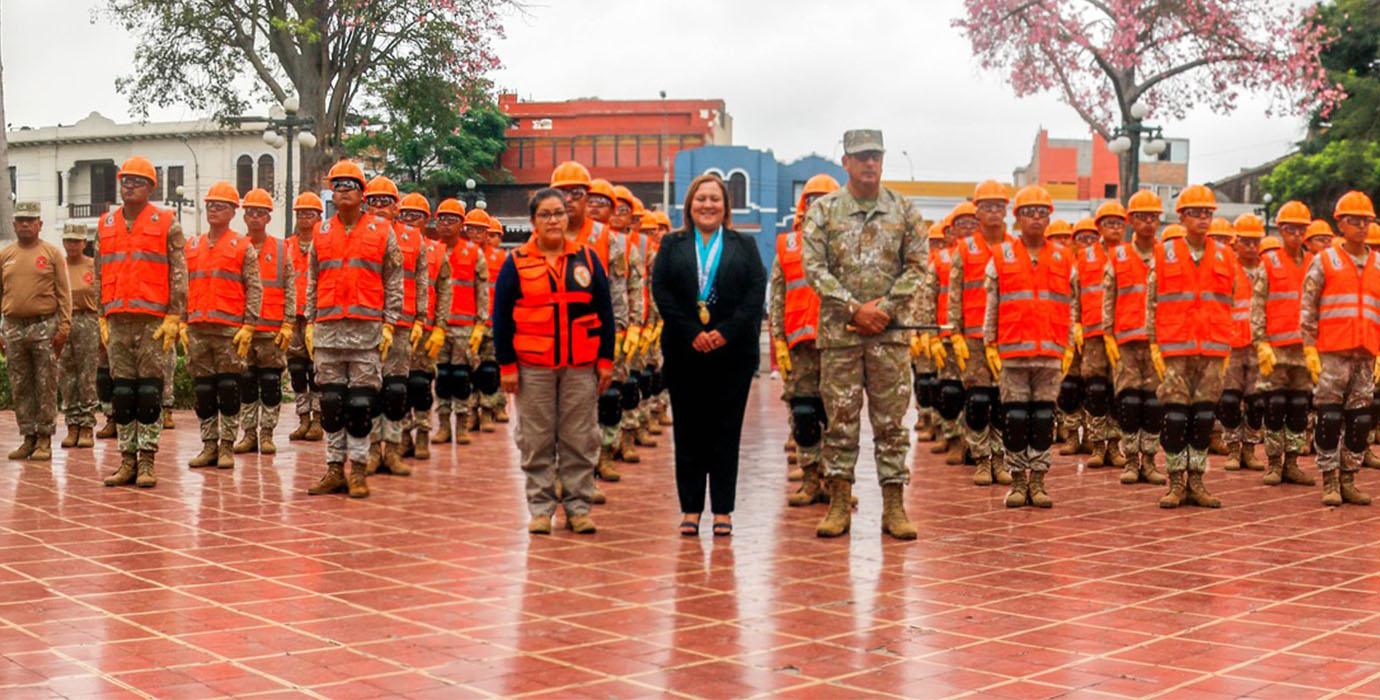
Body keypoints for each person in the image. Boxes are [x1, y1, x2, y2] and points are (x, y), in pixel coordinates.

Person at [803, 129, 926, 539]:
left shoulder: (904, 210)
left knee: (892, 423)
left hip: (889, 337)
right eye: (861, 157)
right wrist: (856, 309)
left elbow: (916, 267)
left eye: (875, 155)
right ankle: (839, 504)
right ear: (846, 162)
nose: (869, 163)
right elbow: (814, 269)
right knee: (840, 422)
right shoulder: (823, 212)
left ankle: (894, 506)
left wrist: (884, 309)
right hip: (841, 337)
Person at [494, 188, 615, 534]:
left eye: (559, 213)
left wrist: (605, 360)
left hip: (580, 366)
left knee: (580, 437)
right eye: (545, 214)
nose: (553, 220)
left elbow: (605, 313)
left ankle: (578, 507)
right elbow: (501, 318)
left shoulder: (588, 260)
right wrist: (506, 366)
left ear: (568, 218)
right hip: (533, 368)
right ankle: (541, 508)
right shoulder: (515, 262)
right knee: (536, 439)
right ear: (533, 221)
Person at [653, 173, 765, 537]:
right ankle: (690, 509)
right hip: (685, 351)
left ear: (725, 206)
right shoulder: (672, 244)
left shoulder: (743, 246)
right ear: (689, 206)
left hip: (732, 354)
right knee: (688, 431)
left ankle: (723, 510)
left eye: (715, 199)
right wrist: (693, 332)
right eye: (701, 198)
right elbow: (662, 292)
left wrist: (723, 333)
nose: (707, 205)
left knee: (725, 432)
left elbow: (754, 294)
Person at [303, 160, 404, 498]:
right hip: (329, 332)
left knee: (361, 404)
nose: (342, 190)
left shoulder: (381, 231)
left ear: (362, 193)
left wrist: (390, 323)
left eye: (350, 185)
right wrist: (309, 320)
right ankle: (334, 469)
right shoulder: (322, 231)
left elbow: (393, 279)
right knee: (331, 403)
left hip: (366, 333)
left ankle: (358, 471)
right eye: (337, 185)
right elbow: (313, 279)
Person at [97, 157, 187, 488]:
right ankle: (126, 460)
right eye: (125, 180)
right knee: (123, 392)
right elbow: (99, 271)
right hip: (118, 320)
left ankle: (147, 459)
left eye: (137, 181)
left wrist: (175, 315)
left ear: (151, 187)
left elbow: (178, 272)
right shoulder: (105, 223)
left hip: (153, 322)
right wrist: (101, 315)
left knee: (148, 392)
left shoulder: (167, 222)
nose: (130, 185)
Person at [1149, 185, 1237, 508]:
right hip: (1175, 349)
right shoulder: (1165, 253)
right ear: (1182, 216)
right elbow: (1152, 302)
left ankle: (1197, 481)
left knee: (1202, 418)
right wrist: (1154, 345)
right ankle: (1175, 482)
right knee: (1175, 418)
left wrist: (1228, 344)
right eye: (1196, 212)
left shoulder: (1226, 255)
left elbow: (1232, 302)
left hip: (1212, 350)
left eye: (1207, 213)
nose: (1203, 218)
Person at [986, 186, 1072, 507]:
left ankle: (1038, 481)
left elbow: (1070, 305)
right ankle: (1018, 482)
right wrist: (989, 343)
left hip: (1050, 352)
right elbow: (992, 305)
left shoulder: (1064, 257)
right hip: (1012, 352)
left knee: (1043, 418)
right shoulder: (1001, 256)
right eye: (1028, 212)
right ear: (1017, 217)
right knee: (1016, 417)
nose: (1036, 218)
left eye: (1042, 212)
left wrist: (1070, 345)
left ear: (1050, 217)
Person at [551, 162, 630, 490]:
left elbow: (617, 290)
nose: (569, 200)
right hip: (552, 338)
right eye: (561, 193)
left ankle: (591, 472)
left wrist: (620, 333)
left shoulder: (606, 239)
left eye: (577, 194)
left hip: (592, 337)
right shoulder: (541, 231)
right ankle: (557, 476)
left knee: (593, 409)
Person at [1300, 191, 1378, 506]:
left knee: (1360, 420)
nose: (1361, 226)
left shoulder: (1376, 263)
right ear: (1340, 224)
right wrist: (1308, 347)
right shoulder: (1325, 261)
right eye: (1354, 220)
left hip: (1365, 354)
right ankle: (1329, 480)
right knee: (1330, 418)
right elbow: (1308, 305)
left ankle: (1349, 478)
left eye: (1366, 220)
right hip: (1332, 352)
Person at [770, 173, 840, 506]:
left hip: (840, 345)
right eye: (814, 200)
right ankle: (811, 479)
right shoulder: (787, 245)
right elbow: (778, 296)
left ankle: (838, 485)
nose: (820, 206)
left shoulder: (850, 244)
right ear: (804, 204)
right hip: (801, 346)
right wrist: (778, 341)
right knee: (804, 413)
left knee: (840, 417)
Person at [184, 182, 262, 472]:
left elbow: (254, 288)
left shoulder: (242, 246)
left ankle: (227, 445)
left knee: (229, 388)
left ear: (232, 212)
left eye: (220, 206)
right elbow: (183, 286)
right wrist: (180, 322)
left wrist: (249, 325)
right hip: (198, 328)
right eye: (210, 205)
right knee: (203, 390)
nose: (213, 210)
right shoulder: (192, 245)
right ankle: (209, 445)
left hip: (230, 330)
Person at [363, 175, 428, 476]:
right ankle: (373, 449)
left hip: (401, 324)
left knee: (396, 389)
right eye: (372, 200)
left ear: (396, 206)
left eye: (384, 200)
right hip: (366, 323)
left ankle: (394, 448)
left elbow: (423, 281)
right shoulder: (359, 234)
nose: (378, 205)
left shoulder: (413, 238)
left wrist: (422, 319)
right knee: (370, 390)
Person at [1101, 190, 1167, 486]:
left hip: (1157, 342)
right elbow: (1108, 297)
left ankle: (1150, 460)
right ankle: (1130, 460)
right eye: (1142, 217)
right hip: (1126, 340)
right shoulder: (1117, 256)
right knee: (1128, 401)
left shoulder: (1166, 254)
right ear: (1131, 221)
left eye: (1153, 217)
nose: (1148, 223)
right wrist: (1107, 335)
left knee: (1152, 402)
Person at [949, 180, 1012, 487]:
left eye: (999, 206)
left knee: (1001, 400)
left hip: (1007, 336)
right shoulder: (965, 248)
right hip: (973, 338)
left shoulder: (1015, 247)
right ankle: (981, 458)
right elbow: (955, 293)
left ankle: (999, 459)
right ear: (977, 212)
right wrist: (955, 333)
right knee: (977, 399)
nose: (994, 212)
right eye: (987, 207)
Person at [1, 201, 71, 461]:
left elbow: (65, 294)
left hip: (44, 327)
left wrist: (64, 326)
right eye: (21, 220)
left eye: (31, 220)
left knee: (46, 384)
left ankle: (44, 438)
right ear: (14, 224)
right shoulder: (5, 255)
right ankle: (28, 437)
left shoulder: (52, 253)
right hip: (13, 328)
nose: (26, 224)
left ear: (40, 224)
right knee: (20, 385)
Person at [1254, 202, 1318, 486]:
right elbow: (1257, 305)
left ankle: (1292, 462)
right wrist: (1260, 341)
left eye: (1300, 229)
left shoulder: (1315, 263)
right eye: (1289, 229)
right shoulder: (1269, 262)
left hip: (1304, 349)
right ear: (1280, 230)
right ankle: (1274, 463)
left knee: (1298, 406)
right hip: (1276, 349)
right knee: (1275, 405)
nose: (1295, 234)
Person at [232, 188, 293, 456]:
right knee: (245, 382)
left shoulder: (281, 249)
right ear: (244, 217)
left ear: (269, 217)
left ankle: (267, 433)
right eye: (251, 213)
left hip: (272, 329)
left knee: (270, 382)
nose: (255, 218)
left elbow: (290, 287)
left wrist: (289, 322)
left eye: (261, 213)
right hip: (243, 330)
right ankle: (248, 434)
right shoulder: (237, 246)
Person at [398, 193, 447, 460]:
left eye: (414, 216)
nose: (408, 220)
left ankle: (424, 433)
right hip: (400, 325)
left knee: (421, 382)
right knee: (400, 384)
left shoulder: (437, 251)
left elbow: (444, 291)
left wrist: (439, 326)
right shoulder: (393, 245)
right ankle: (404, 435)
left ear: (426, 220)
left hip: (426, 328)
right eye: (404, 215)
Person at [1079, 202, 1125, 469]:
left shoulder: (1129, 255)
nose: (1115, 228)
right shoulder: (1085, 257)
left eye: (1119, 223)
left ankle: (1115, 445)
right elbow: (1075, 293)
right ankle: (1097, 444)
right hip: (1094, 332)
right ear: (1098, 228)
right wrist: (1076, 323)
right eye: (1109, 223)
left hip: (1122, 334)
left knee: (1118, 391)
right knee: (1095, 390)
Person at [430, 202, 480, 446]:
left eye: (452, 219)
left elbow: (482, 290)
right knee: (441, 378)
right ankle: (442, 425)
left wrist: (480, 324)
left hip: (464, 326)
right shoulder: (432, 251)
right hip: (438, 327)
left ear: (461, 224)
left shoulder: (472, 252)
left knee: (461, 376)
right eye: (442, 219)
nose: (446, 224)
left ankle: (461, 425)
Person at [929, 204, 975, 465]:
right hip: (947, 333)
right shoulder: (940, 258)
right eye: (962, 224)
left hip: (976, 334)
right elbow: (929, 297)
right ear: (952, 230)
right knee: (950, 391)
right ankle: (953, 439)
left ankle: (974, 444)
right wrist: (930, 335)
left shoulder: (987, 253)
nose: (968, 228)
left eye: (972, 223)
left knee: (977, 393)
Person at [1221, 214, 1266, 471]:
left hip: (1259, 345)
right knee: (1229, 399)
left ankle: (1249, 448)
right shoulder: (1228, 268)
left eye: (1254, 241)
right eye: (1245, 241)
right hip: (1231, 344)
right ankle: (1232, 448)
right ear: (1236, 243)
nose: (1250, 246)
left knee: (1256, 401)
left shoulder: (1266, 270)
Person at [287, 192, 324, 441]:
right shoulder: (286, 246)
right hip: (292, 316)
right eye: (300, 213)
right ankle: (303, 417)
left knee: (317, 368)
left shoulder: (324, 244)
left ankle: (318, 419)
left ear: (319, 217)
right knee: (297, 369)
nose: (304, 218)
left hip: (317, 315)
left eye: (309, 214)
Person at [59, 223, 99, 449]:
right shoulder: (58, 266)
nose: (72, 245)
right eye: (68, 241)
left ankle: (86, 426)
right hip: (63, 321)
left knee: (87, 375)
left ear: (85, 243)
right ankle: (71, 424)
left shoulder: (93, 267)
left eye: (76, 241)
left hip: (87, 321)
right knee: (66, 376)